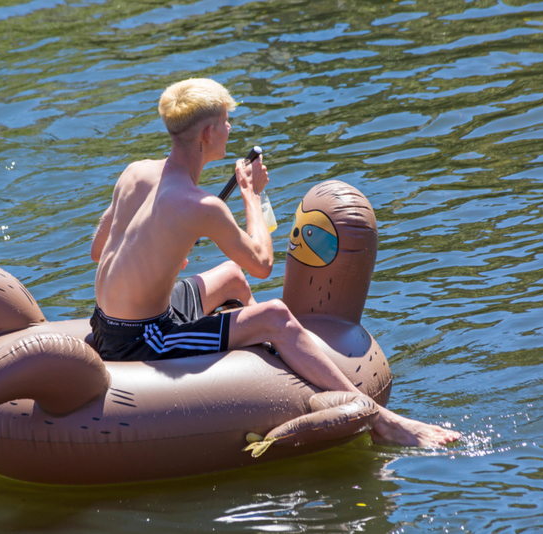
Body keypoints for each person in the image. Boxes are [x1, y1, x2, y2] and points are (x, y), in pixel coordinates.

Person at [90, 78, 460, 447]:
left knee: (231, 277)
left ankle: (268, 366)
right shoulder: (200, 206)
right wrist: (251, 194)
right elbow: (263, 264)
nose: (230, 128)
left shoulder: (135, 173)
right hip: (143, 340)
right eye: (225, 121)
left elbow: (98, 250)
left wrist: (160, 254)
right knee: (276, 316)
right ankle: (386, 422)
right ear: (208, 133)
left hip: (105, 321)